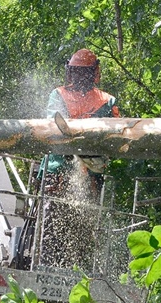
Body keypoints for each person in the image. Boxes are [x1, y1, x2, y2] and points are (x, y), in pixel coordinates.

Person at [38, 48, 120, 271]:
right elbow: (53, 123)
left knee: (84, 228)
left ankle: (80, 270)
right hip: (58, 169)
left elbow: (117, 131)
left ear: (93, 73)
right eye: (76, 72)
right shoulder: (59, 95)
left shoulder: (106, 100)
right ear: (70, 72)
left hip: (92, 171)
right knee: (52, 226)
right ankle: (47, 269)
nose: (79, 78)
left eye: (83, 73)